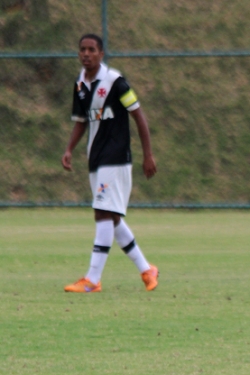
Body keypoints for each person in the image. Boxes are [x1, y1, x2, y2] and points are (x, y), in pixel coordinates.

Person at [61, 33, 159, 293]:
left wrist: (148, 154)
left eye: (91, 49)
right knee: (112, 217)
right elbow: (81, 121)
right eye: (82, 49)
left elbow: (138, 116)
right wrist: (69, 149)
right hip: (96, 159)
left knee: (102, 213)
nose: (86, 54)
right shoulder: (80, 85)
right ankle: (147, 270)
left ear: (101, 54)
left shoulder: (116, 82)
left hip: (116, 159)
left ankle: (93, 280)